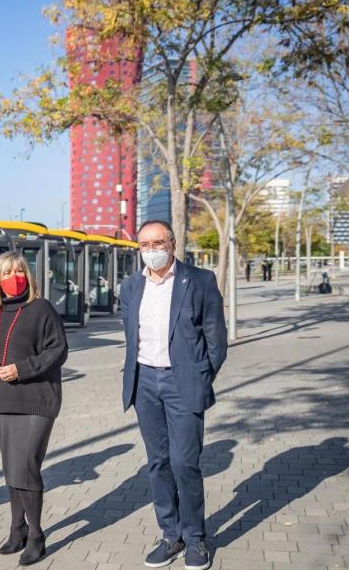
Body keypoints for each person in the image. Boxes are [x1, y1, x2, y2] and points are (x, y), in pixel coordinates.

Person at [119, 220, 227, 570]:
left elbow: (216, 340)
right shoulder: (130, 286)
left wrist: (199, 375)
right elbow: (130, 335)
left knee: (185, 464)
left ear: (173, 243)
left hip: (183, 384)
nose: (152, 250)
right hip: (145, 383)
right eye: (145, 244)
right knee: (158, 463)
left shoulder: (199, 280)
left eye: (158, 242)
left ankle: (195, 538)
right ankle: (170, 534)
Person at [0, 251, 67, 566]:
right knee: (12, 467)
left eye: (19, 271)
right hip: (1, 399)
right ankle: (17, 527)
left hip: (38, 399)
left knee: (25, 465)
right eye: (7, 272)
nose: (14, 277)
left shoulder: (42, 309)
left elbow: (58, 350)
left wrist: (22, 369)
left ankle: (37, 535)